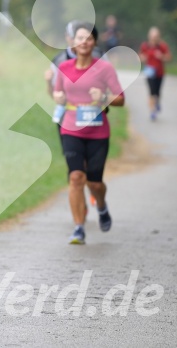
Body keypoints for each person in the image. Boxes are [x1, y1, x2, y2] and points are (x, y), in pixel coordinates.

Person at [53, 22, 125, 245]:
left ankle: (101, 206)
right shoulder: (64, 68)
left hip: (97, 131)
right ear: (73, 42)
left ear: (94, 43)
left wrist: (103, 98)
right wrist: (58, 97)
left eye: (89, 38)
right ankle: (78, 227)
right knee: (75, 177)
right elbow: (57, 92)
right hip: (71, 128)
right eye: (80, 38)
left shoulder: (104, 69)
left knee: (94, 183)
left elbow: (120, 99)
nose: (84, 42)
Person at [139, 26, 171, 121]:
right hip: (149, 72)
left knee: (157, 92)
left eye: (156, 36)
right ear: (149, 36)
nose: (154, 38)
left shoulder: (162, 46)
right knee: (151, 92)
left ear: (158, 37)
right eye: (152, 36)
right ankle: (152, 111)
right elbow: (140, 56)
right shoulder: (145, 46)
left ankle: (157, 103)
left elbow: (169, 58)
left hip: (160, 73)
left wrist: (161, 56)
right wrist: (143, 58)